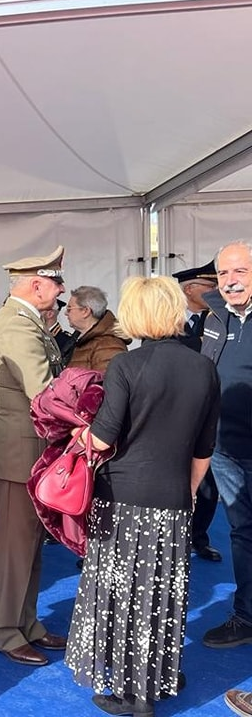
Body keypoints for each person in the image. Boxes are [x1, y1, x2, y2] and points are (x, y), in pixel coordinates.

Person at [65, 275, 220, 717]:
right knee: (160, 594)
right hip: (172, 499)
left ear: (134, 313)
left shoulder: (126, 366)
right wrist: (189, 492)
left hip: (122, 499)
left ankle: (129, 694)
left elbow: (103, 436)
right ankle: (156, 678)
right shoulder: (203, 367)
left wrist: (76, 434)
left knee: (120, 595)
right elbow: (204, 447)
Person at [0, 245, 68, 667]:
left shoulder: (26, 320)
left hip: (28, 449)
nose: (61, 289)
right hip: (19, 452)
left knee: (30, 545)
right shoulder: (17, 324)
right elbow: (45, 391)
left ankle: (26, 623)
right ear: (36, 285)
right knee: (14, 548)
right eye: (56, 281)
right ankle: (4, 631)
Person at [200, 241, 252, 650]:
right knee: (242, 533)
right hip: (225, 448)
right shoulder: (214, 315)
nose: (230, 281)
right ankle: (246, 615)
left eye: (240, 271)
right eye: (223, 273)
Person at [172, 261, 222, 562]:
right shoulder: (169, 318)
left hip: (209, 409)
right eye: (210, 286)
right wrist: (197, 344)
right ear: (190, 289)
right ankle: (175, 535)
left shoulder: (219, 320)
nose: (216, 291)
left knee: (207, 483)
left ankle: (198, 537)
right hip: (175, 410)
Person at [64, 286, 128, 372]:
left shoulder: (108, 345)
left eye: (69, 309)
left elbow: (108, 379)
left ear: (85, 311)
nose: (65, 313)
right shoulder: (79, 340)